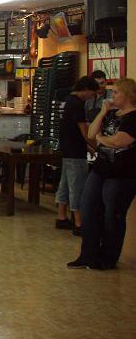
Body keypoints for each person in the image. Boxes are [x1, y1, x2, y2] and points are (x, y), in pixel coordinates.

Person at [69, 78, 136, 270]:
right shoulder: (112, 114)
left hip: (122, 173)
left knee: (112, 215)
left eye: (116, 92)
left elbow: (119, 141)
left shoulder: (133, 118)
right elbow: (91, 133)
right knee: (88, 208)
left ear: (128, 95)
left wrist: (101, 139)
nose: (112, 96)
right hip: (100, 168)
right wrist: (103, 112)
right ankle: (88, 254)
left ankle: (108, 257)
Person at [55, 76, 99, 235]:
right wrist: (97, 146)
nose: (92, 97)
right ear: (86, 89)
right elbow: (84, 132)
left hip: (66, 148)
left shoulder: (66, 100)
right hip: (76, 152)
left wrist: (88, 147)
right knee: (77, 187)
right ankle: (79, 223)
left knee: (65, 184)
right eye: (92, 94)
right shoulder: (78, 104)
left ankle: (61, 217)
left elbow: (69, 128)